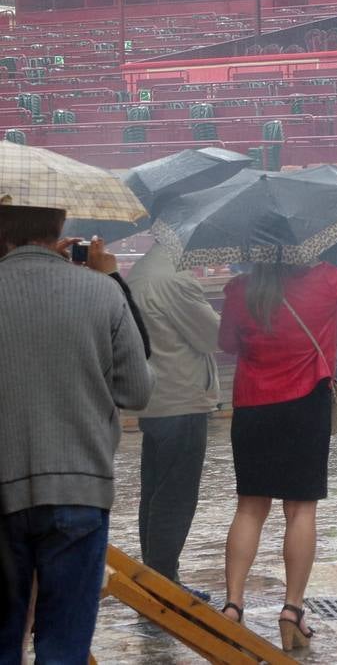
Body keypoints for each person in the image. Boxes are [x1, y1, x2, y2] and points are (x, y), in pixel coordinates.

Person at [218, 228, 337, 647]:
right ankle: (292, 610)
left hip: (253, 406)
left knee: (249, 507)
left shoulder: (241, 289)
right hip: (305, 406)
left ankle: (233, 606)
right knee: (300, 510)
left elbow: (227, 344)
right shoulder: (326, 280)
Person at [0, 207, 153, 662]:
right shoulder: (102, 292)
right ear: (59, 228)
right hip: (79, 489)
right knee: (64, 648)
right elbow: (137, 390)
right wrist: (107, 280)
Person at [127, 243, 221, 589]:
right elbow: (213, 336)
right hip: (180, 397)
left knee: (155, 489)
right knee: (175, 495)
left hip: (154, 396)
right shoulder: (174, 280)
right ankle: (163, 581)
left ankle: (155, 574)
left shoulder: (141, 272)